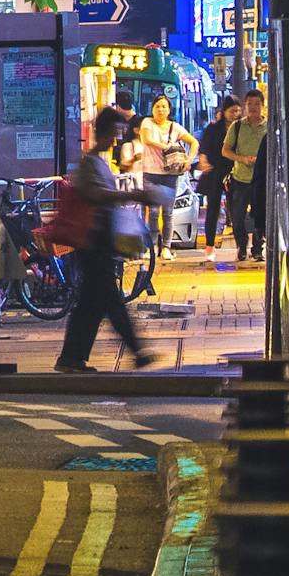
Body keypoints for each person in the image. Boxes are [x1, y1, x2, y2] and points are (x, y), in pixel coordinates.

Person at [56, 107, 166, 372]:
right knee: (109, 301)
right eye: (115, 133)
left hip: (99, 241)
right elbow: (96, 195)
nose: (117, 140)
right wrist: (133, 196)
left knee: (91, 305)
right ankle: (136, 350)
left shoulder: (99, 162)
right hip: (92, 241)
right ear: (103, 132)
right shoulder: (90, 163)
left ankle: (71, 358)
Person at [134, 97, 197, 266]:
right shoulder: (147, 123)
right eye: (157, 106)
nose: (160, 110)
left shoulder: (174, 127)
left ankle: (167, 247)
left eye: (163, 107)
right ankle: (152, 246)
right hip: (150, 173)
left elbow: (194, 142)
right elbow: (146, 140)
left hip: (170, 174)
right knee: (153, 212)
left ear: (169, 110)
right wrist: (169, 147)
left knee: (168, 212)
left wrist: (188, 160)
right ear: (152, 108)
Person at [223, 89, 269, 263]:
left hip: (261, 180)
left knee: (260, 216)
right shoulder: (237, 126)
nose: (253, 107)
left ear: (263, 106)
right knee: (237, 217)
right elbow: (225, 151)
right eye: (250, 104)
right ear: (245, 106)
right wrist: (242, 159)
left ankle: (257, 249)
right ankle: (242, 246)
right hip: (240, 179)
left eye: (257, 104)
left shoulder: (269, 127)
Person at [195, 95, 239, 252]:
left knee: (236, 208)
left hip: (235, 171)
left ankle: (240, 245)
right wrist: (203, 160)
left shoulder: (241, 128)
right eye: (232, 111)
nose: (236, 114)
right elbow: (204, 147)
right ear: (224, 111)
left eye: (238, 111)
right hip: (215, 171)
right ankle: (209, 245)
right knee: (212, 208)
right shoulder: (213, 128)